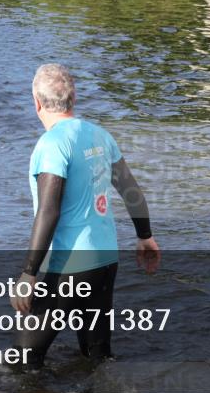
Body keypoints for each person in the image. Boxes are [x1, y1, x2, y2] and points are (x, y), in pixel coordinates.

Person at [10, 64, 160, 368]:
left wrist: (29, 273)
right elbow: (131, 189)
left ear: (36, 102)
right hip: (105, 262)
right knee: (97, 359)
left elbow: (48, 211)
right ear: (73, 99)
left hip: (70, 266)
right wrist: (145, 237)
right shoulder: (100, 135)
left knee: (20, 364)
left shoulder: (52, 145)